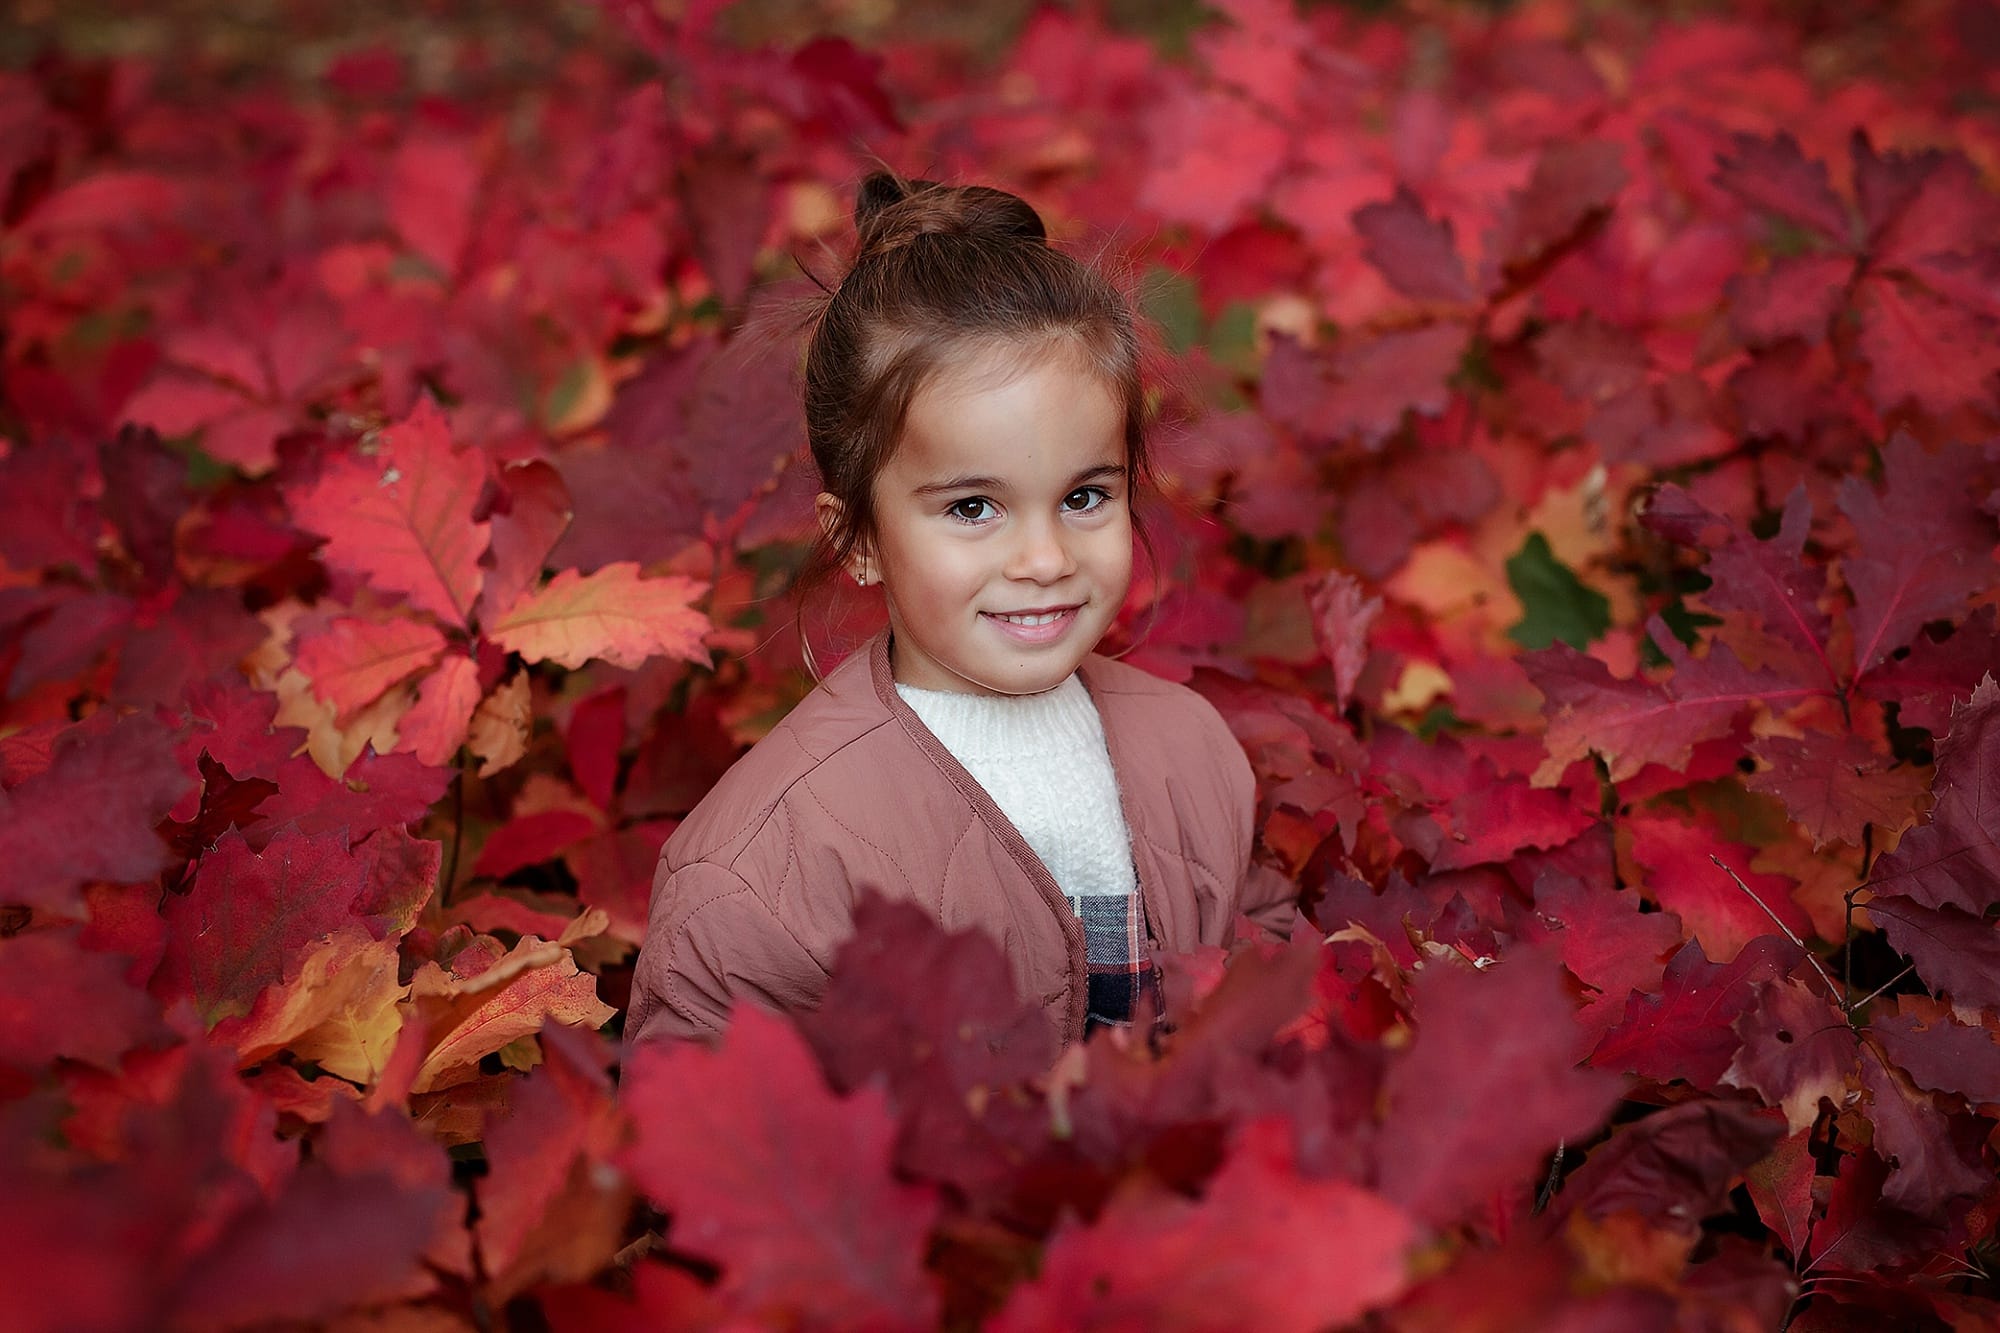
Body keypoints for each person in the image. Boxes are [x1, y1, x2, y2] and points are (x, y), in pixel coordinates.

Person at [625, 172, 1291, 1049]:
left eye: (1085, 496)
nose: (1045, 559)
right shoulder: (772, 862)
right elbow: (709, 1141)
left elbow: (1270, 990)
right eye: (973, 508)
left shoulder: (1193, 754)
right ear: (858, 536)